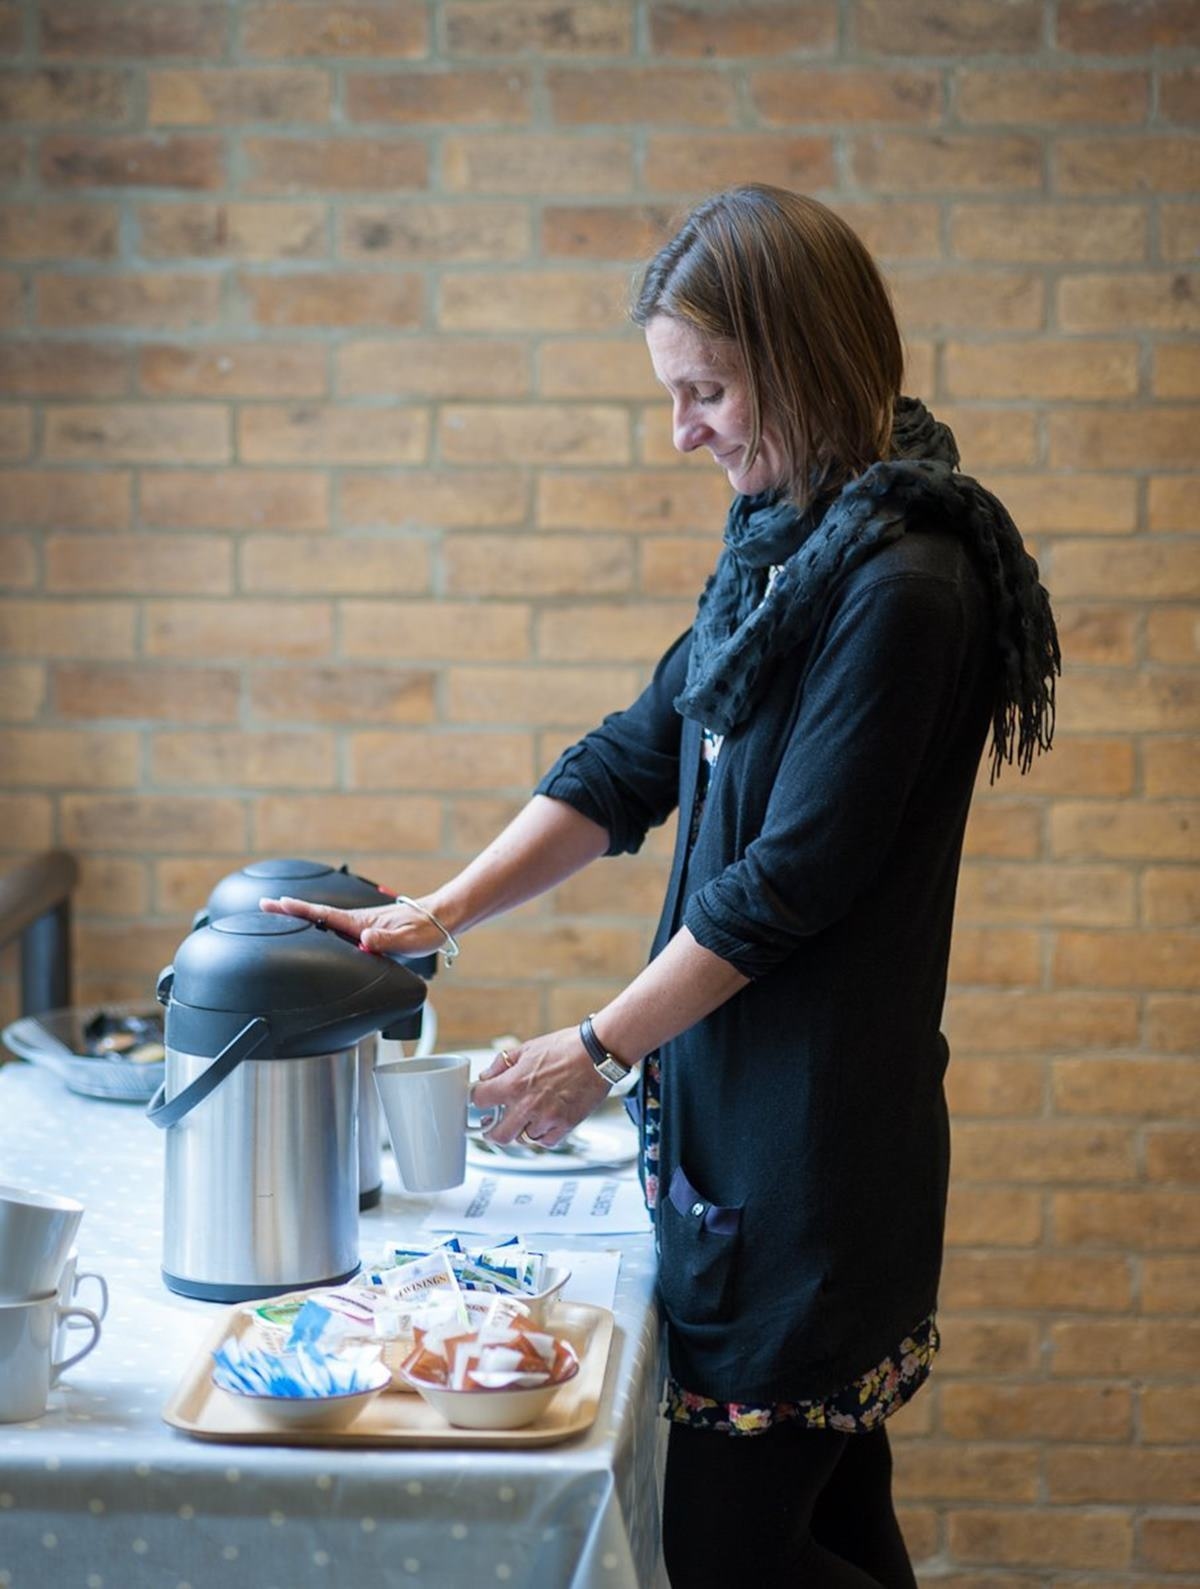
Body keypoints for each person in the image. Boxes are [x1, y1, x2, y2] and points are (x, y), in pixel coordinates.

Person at [264, 185, 1059, 1587]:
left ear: (802, 364)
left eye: (706, 391)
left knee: (726, 1555)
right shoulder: (788, 543)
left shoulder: (904, 586)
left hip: (809, 1162)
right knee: (832, 1526)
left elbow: (780, 889)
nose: (681, 429)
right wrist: (438, 908)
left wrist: (593, 1051)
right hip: (746, 1144)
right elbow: (635, 756)